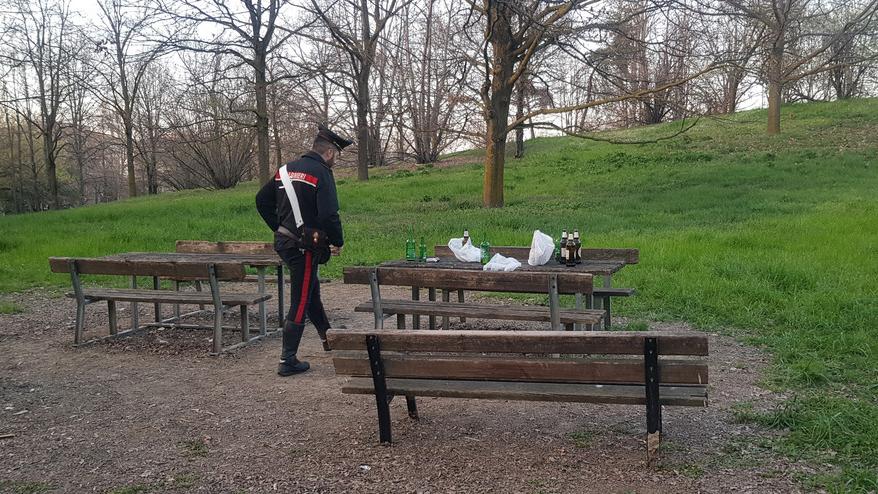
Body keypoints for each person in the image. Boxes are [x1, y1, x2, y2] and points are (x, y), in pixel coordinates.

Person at [256, 124, 353, 376]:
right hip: (304, 248)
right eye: (336, 156)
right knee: (301, 300)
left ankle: (329, 340)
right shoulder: (321, 172)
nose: (335, 161)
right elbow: (330, 213)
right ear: (330, 153)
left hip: (285, 241)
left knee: (311, 292)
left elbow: (261, 200)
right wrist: (337, 241)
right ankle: (287, 359)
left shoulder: (284, 170)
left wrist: (278, 226)